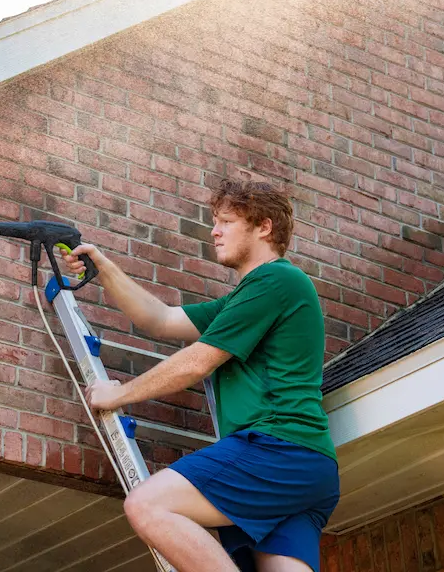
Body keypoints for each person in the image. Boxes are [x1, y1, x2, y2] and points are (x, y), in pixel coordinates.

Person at [59, 179, 339, 572]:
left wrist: (119, 394)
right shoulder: (246, 299)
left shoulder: (276, 281)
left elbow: (196, 363)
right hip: (307, 468)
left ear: (263, 227)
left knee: (148, 504)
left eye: (226, 221)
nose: (214, 230)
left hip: (277, 448)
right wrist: (104, 270)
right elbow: (161, 319)